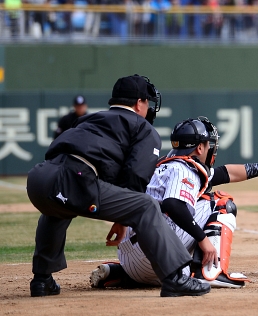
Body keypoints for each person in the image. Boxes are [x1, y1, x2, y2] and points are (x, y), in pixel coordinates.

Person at [26, 75, 211, 298]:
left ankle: (42, 280)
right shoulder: (142, 128)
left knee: (56, 209)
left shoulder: (89, 119)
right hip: (77, 178)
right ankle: (174, 278)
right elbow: (135, 177)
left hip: (40, 178)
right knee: (146, 205)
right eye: (147, 102)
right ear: (139, 102)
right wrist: (123, 218)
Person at [89, 117, 258, 289]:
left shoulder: (165, 163)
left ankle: (119, 273)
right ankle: (210, 273)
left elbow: (225, 173)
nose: (210, 147)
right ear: (199, 148)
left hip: (130, 258)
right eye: (207, 143)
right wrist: (203, 240)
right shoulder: (185, 168)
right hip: (153, 253)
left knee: (196, 203)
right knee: (221, 202)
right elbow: (173, 204)